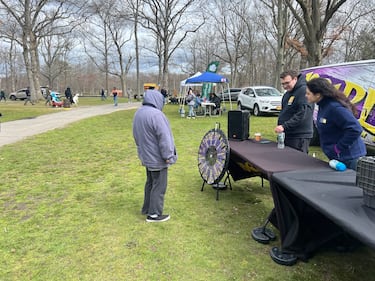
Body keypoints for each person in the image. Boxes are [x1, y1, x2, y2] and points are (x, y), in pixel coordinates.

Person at [132, 89, 177, 222]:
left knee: (150, 182)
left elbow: (135, 135)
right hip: (157, 157)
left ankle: (147, 208)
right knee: (159, 184)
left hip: (146, 155)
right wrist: (168, 155)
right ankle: (154, 214)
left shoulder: (138, 113)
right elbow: (164, 137)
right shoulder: (157, 115)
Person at [306, 77, 366, 170]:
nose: (306, 96)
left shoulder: (335, 108)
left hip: (350, 157)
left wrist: (338, 148)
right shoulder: (322, 106)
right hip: (337, 157)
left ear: (318, 95)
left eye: (308, 93)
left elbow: (355, 129)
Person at [274, 70, 313, 153]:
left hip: (299, 135)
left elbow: (302, 114)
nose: (285, 86)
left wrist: (284, 126)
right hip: (287, 134)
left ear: (295, 79)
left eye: (287, 83)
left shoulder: (303, 91)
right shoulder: (287, 94)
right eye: (283, 84)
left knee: (298, 162)